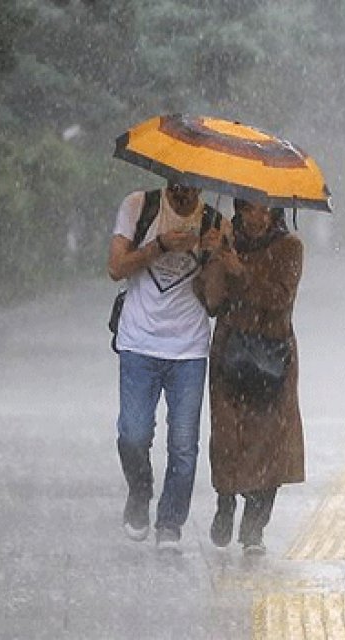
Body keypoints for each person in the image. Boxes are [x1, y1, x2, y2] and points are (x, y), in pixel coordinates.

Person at [107, 181, 225, 551]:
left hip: (188, 348)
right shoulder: (139, 206)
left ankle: (171, 522)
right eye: (179, 186)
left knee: (184, 444)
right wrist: (160, 246)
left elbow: (217, 302)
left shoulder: (215, 222)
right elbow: (115, 267)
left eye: (193, 188)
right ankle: (140, 492)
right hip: (139, 342)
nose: (185, 195)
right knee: (133, 434)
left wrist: (213, 257)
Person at [194, 198, 304, 555]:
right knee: (227, 435)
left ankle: (254, 526)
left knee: (269, 443)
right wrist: (211, 259)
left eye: (261, 208)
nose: (254, 216)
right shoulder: (227, 239)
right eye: (247, 208)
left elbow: (279, 299)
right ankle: (225, 502)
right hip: (230, 350)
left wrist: (240, 269)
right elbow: (210, 302)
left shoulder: (289, 247)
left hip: (272, 354)